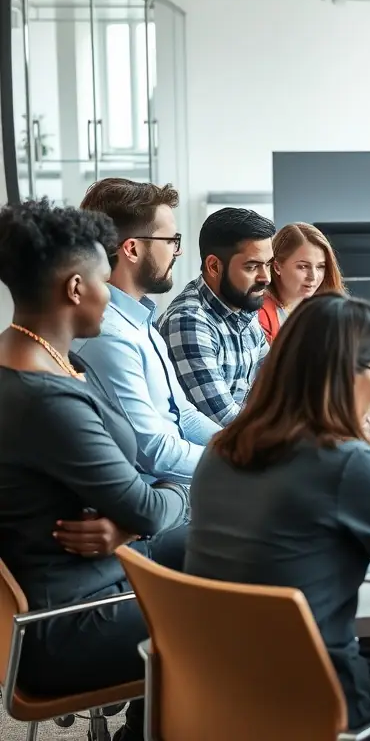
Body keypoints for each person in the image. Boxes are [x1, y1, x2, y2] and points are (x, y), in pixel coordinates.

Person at [185, 294, 370, 739]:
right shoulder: (347, 463)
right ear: (346, 374)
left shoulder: (221, 449)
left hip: (214, 687)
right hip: (311, 695)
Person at [0, 201, 190, 741]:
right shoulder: (46, 400)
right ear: (76, 288)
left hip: (97, 574)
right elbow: (146, 509)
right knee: (240, 623)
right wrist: (164, 503)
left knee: (234, 545)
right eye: (106, 281)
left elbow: (136, 510)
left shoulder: (48, 361)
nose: (113, 294)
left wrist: (135, 521)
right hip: (68, 621)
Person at [73, 178, 220, 487]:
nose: (177, 251)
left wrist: (245, 448)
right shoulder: (109, 335)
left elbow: (182, 414)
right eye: (171, 240)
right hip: (157, 496)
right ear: (132, 249)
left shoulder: (140, 321)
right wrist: (239, 466)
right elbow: (152, 452)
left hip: (182, 484)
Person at [158, 208, 273, 425]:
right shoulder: (189, 321)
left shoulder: (243, 307)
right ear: (214, 266)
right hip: (216, 444)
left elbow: (278, 383)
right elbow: (226, 421)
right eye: (252, 267)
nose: (266, 277)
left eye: (268, 264)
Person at [259, 222, 346, 343]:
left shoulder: (324, 311)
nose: (313, 277)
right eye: (303, 266)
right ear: (277, 267)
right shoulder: (260, 313)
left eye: (320, 267)